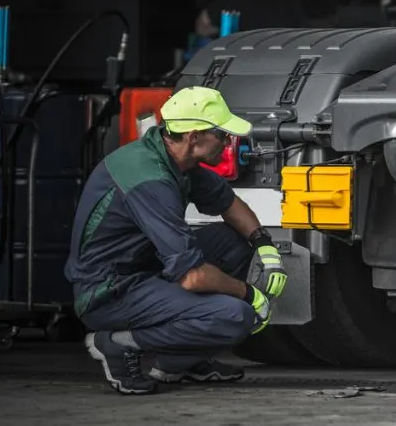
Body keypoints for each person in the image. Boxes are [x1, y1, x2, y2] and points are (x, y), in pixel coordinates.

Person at [63, 86, 289, 395]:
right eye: (221, 134)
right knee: (235, 317)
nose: (227, 142)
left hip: (145, 268)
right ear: (194, 136)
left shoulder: (176, 159)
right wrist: (250, 294)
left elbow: (228, 203)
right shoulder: (150, 178)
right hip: (109, 290)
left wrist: (265, 246)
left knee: (232, 242)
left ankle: (180, 361)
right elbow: (192, 277)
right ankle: (116, 344)